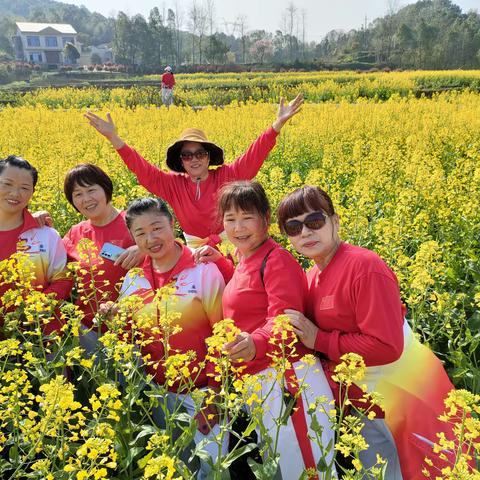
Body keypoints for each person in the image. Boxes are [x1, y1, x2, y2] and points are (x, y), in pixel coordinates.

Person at [277, 185, 469, 480]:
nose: (305, 232)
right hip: (366, 407)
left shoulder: (364, 267)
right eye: (293, 227)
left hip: (408, 399)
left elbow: (388, 346)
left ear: (335, 222)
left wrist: (320, 340)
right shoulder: (311, 276)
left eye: (314, 221)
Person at [196, 181, 336, 479]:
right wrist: (220, 262)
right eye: (230, 219)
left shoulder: (277, 260)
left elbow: (286, 319)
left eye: (247, 217)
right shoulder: (244, 259)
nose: (238, 227)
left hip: (288, 380)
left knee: (307, 471)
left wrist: (255, 341)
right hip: (261, 382)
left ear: (266, 218)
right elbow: (250, 296)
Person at [84, 94, 303, 249]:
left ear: (209, 156)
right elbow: (143, 169)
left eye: (200, 153)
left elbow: (254, 154)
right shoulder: (173, 185)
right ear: (180, 161)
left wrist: (276, 125)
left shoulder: (227, 177)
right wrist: (114, 138)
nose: (194, 159)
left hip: (234, 247)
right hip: (195, 252)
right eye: (187, 155)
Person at [116, 197, 227, 479]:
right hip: (161, 393)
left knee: (212, 470)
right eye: (140, 233)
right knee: (177, 465)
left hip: (203, 392)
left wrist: (213, 394)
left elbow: (222, 332)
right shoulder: (133, 280)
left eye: (157, 228)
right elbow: (131, 338)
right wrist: (114, 317)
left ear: (173, 225)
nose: (151, 238)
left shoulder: (203, 270)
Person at [61, 164, 142, 347]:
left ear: (106, 189)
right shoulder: (75, 233)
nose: (86, 199)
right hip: (90, 331)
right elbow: (50, 260)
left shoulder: (134, 222)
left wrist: (144, 249)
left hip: (135, 331)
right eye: (78, 194)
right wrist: (36, 220)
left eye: (91, 190)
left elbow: (172, 247)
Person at [0, 155, 70, 335]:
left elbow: (63, 280)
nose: (15, 194)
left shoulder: (46, 235)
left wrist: (34, 309)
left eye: (24, 188)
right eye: (7, 184)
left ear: (32, 193)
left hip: (40, 334)